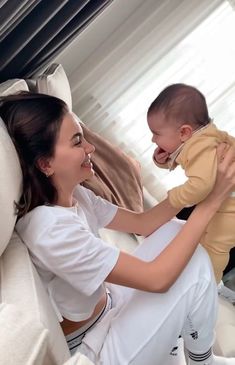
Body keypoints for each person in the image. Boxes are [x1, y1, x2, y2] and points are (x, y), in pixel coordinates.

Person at [0, 91, 235, 365]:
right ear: (46, 164)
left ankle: (182, 348)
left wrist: (198, 183)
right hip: (98, 352)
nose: (90, 148)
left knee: (176, 231)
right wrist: (211, 202)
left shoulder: (77, 197)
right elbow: (155, 279)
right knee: (193, 261)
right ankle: (201, 361)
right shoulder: (48, 228)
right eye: (77, 141)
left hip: (108, 312)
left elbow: (143, 223)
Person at [147, 83, 235, 284]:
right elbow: (193, 163)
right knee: (200, 235)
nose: (153, 139)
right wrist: (165, 159)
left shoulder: (200, 146)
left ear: (184, 132)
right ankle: (194, 272)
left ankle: (208, 283)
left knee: (216, 244)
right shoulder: (201, 137)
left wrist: (174, 197)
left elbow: (201, 185)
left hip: (231, 207)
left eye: (156, 133)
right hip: (225, 199)